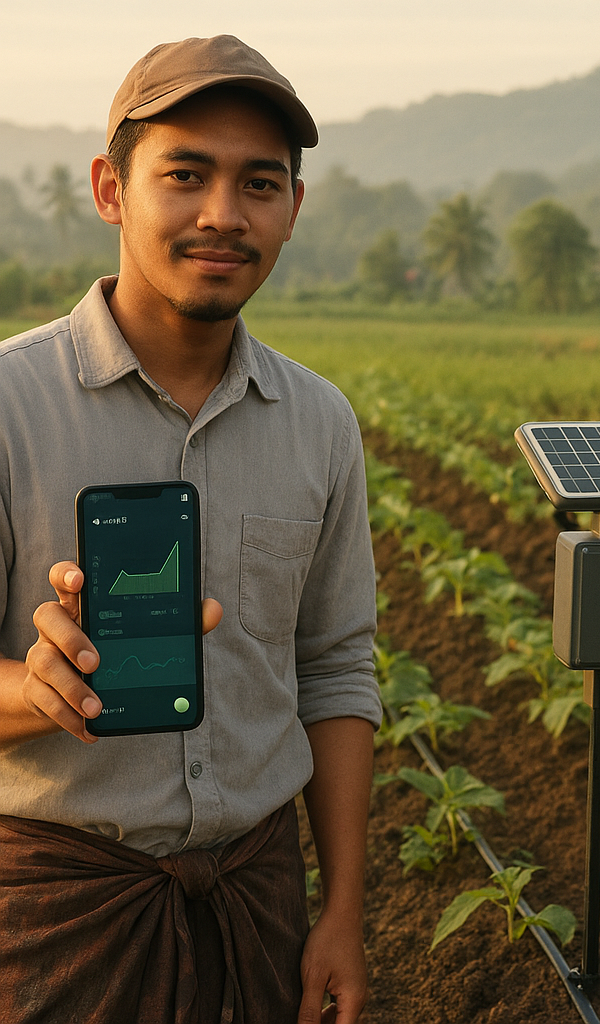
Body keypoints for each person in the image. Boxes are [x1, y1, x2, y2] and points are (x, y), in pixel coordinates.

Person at [0, 35, 381, 1024]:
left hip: (258, 905)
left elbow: (336, 669)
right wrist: (36, 691)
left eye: (259, 182)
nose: (224, 213)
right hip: (54, 910)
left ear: (293, 207)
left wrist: (341, 911)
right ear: (110, 189)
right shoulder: (8, 408)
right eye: (184, 174)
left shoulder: (319, 423)